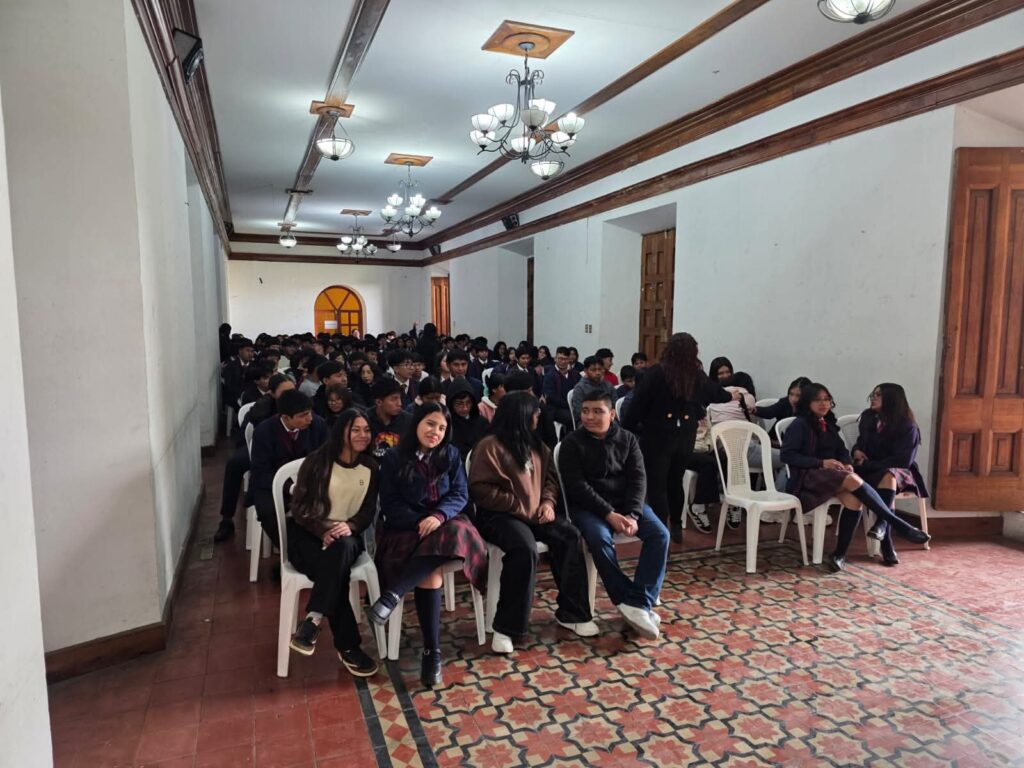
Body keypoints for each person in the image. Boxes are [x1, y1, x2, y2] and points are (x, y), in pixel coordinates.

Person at [367, 403, 487, 687]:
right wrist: (421, 521)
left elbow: (460, 493)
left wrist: (438, 516)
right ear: (417, 423)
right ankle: (432, 653)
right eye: (430, 424)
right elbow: (390, 503)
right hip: (406, 528)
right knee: (432, 568)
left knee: (456, 530)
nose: (436, 432)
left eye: (442, 428)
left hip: (445, 523)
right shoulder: (395, 456)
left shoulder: (451, 454)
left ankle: (393, 595)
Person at [469, 392, 596, 654]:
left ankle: (573, 613)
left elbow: (550, 480)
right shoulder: (489, 446)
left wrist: (547, 503)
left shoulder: (537, 446)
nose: (538, 416)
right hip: (500, 515)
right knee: (524, 549)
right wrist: (517, 505)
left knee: (569, 535)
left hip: (536, 511)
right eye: (534, 413)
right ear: (520, 415)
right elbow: (480, 489)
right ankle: (506, 627)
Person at [780, 383, 930, 573]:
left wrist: (846, 462)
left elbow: (841, 449)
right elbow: (787, 455)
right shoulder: (800, 424)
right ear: (807, 403)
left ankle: (839, 554)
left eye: (826, 399)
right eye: (817, 400)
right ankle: (899, 525)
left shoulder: (828, 424)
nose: (823, 404)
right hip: (808, 476)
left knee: (854, 499)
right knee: (852, 479)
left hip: (834, 475)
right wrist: (822, 462)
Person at [559, 389, 668, 639]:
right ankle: (630, 601)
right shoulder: (571, 443)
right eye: (585, 411)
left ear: (612, 414)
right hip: (589, 508)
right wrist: (609, 514)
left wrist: (632, 515)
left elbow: (638, 479)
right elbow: (577, 487)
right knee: (599, 540)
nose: (589, 417)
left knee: (660, 535)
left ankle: (639, 602)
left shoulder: (628, 439)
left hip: (626, 505)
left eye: (597, 411)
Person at [286, 410, 380, 677]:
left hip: (346, 536)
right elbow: (300, 508)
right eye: (355, 430)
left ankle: (313, 620)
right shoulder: (317, 462)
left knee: (341, 551)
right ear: (341, 432)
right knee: (336, 574)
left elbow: (367, 511)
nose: (363, 435)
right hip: (308, 535)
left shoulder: (370, 467)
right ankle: (348, 647)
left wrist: (349, 526)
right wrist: (322, 530)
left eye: (366, 430)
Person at [622, 333, 738, 531]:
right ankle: (676, 524)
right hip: (685, 436)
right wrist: (730, 395)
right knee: (676, 481)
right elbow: (715, 393)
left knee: (657, 486)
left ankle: (661, 530)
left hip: (657, 436)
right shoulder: (695, 375)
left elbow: (638, 404)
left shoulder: (656, 373)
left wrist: (626, 428)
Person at [852, 383, 929, 566]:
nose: (873, 398)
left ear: (892, 399)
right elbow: (861, 442)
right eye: (872, 394)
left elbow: (903, 460)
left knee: (889, 476)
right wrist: (856, 450)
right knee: (886, 480)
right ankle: (886, 539)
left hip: (899, 471)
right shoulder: (868, 417)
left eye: (878, 395)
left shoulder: (907, 425)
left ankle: (882, 530)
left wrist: (870, 464)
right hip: (869, 470)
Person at [214, 373, 295, 543]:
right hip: (263, 450)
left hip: (292, 451)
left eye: (292, 391)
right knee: (234, 464)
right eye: (284, 392)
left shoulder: (300, 405)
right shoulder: (262, 407)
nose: (290, 396)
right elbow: (247, 433)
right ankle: (227, 519)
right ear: (272, 393)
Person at [248, 390, 329, 546]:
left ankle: (313, 547)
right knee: (268, 511)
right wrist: (290, 488)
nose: (309, 418)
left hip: (311, 482)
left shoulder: (318, 425)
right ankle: (289, 550)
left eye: (310, 412)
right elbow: (261, 472)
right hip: (272, 485)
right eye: (303, 415)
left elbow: (326, 458)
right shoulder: (264, 432)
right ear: (285, 417)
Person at [367, 378, 413, 459]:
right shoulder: (364, 420)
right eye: (394, 399)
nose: (399, 403)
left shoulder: (409, 421)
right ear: (379, 402)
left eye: (400, 398)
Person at [542, 346, 580, 431]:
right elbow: (551, 397)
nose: (563, 362)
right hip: (557, 408)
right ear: (555, 359)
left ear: (569, 360)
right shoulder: (550, 375)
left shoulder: (575, 374)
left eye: (565, 359)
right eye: (560, 359)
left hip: (574, 406)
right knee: (571, 418)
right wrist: (569, 405)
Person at [448, 379, 488, 460]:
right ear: (451, 404)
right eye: (459, 403)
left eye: (468, 402)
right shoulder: (447, 426)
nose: (465, 408)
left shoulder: (482, 423)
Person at [570, 356, 616, 425]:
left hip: (608, 419)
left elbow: (614, 404)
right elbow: (579, 412)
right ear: (586, 371)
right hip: (587, 422)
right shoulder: (580, 388)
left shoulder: (608, 385)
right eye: (593, 370)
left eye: (600, 369)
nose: (598, 373)